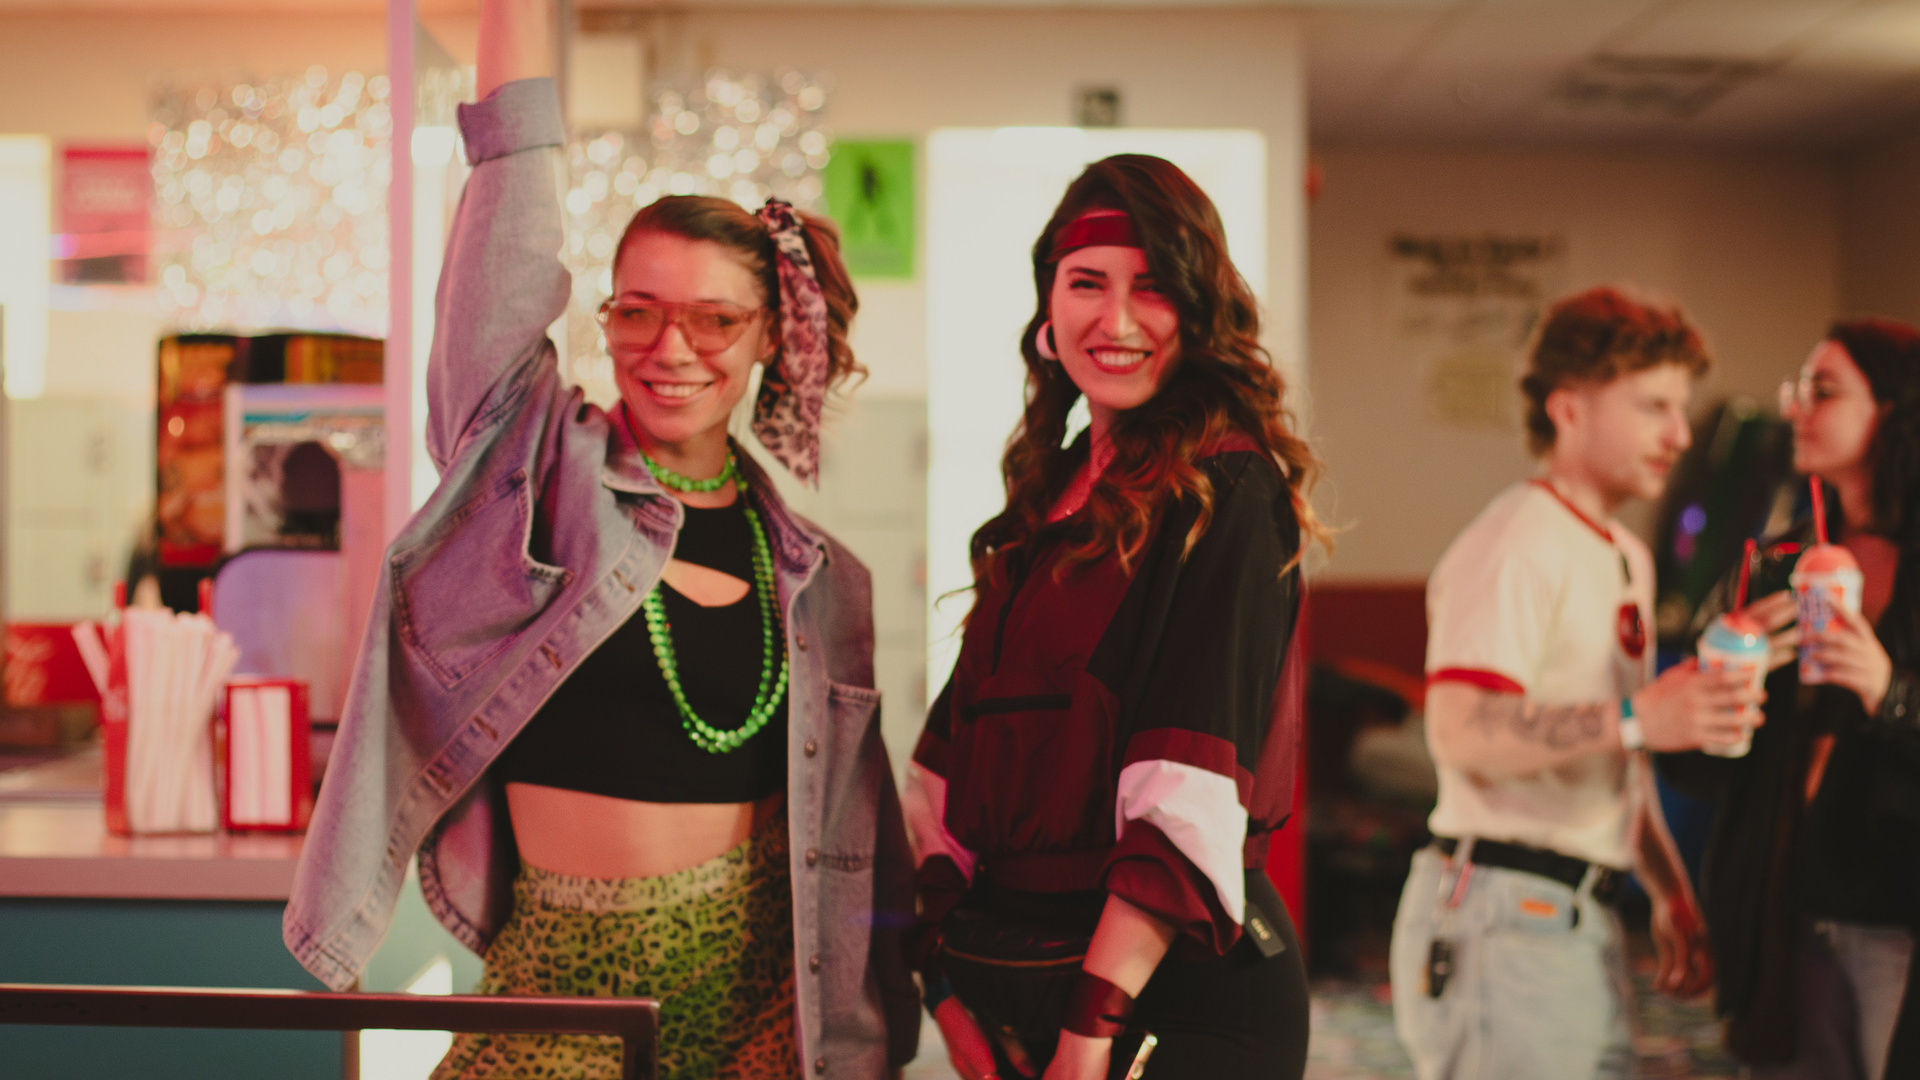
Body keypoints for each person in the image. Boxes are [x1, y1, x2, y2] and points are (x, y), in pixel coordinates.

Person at [282, 0, 919, 1076]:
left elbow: (860, 840)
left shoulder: (822, 576)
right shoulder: (531, 468)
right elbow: (510, 219)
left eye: (715, 319)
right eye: (637, 311)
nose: (672, 347)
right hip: (564, 977)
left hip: (765, 999)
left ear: (769, 335)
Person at [906, 155, 1319, 1080]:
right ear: (1047, 309)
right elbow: (949, 763)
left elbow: (1186, 790)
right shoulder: (1046, 493)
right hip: (1028, 980)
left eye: (1155, 287)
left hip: (1172, 996)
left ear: (1199, 313)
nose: (1118, 321)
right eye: (1087, 282)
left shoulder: (1228, 490)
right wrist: (947, 990)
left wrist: (1086, 1038)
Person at [1390, 286, 1750, 1079]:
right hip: (1503, 913)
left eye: (1680, 409)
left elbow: (1623, 750)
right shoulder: (1518, 540)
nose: (1680, 434)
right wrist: (1634, 718)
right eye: (1653, 407)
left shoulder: (1626, 553)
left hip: (1577, 914)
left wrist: (1669, 888)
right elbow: (1458, 731)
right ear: (1569, 409)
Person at [1662, 318, 1920, 1080]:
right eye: (1797, 389)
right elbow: (1703, 760)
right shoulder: (1781, 559)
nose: (1794, 407)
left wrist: (1888, 691)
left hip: (1896, 907)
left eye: (1824, 391)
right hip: (1787, 901)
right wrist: (1719, 676)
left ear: (1896, 410)